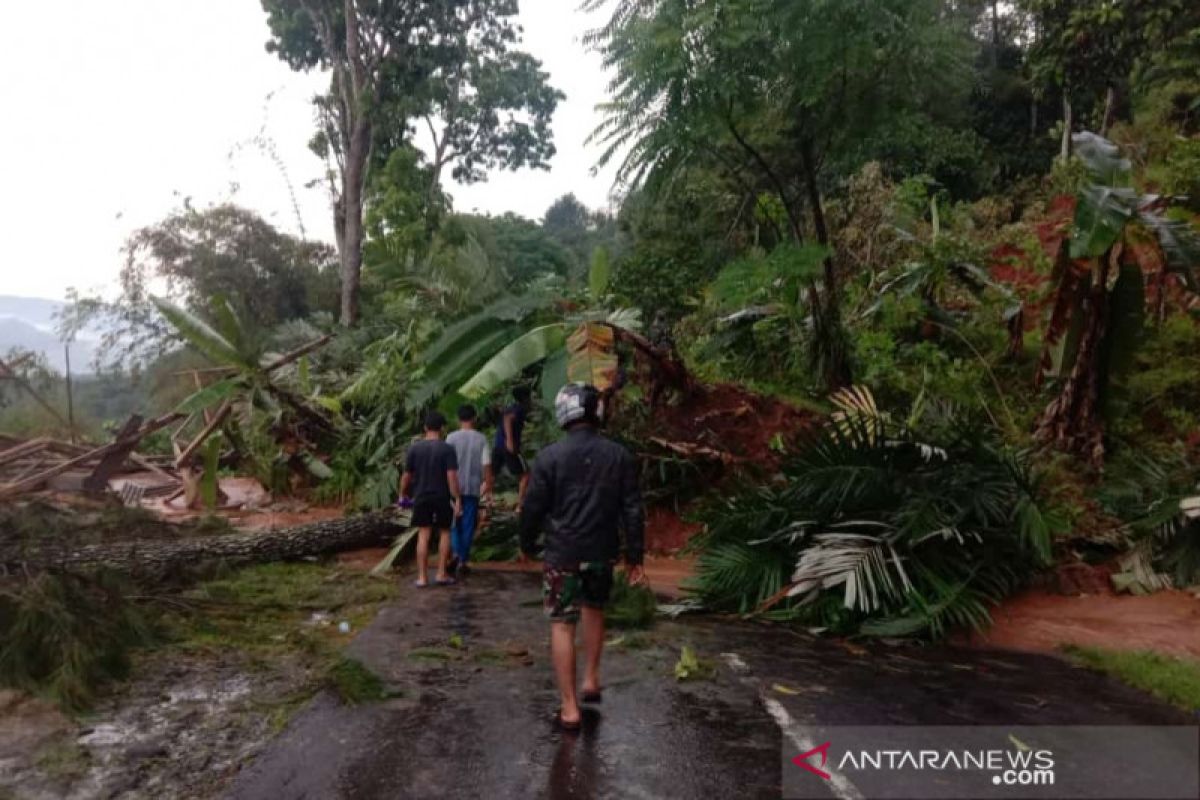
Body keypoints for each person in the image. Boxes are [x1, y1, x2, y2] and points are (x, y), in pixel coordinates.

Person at [519, 382, 645, 732]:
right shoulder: (618, 456)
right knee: (594, 609)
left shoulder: (549, 457)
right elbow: (632, 509)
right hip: (602, 552)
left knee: (562, 624)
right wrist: (635, 555)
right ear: (596, 413)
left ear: (564, 412)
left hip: (562, 553)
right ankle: (591, 678)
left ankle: (570, 706)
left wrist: (526, 544)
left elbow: (532, 508)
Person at [399, 410, 463, 587]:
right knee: (445, 532)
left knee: (423, 534)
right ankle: (441, 573)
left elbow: (406, 476)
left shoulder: (414, 449)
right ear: (442, 428)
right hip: (442, 496)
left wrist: (402, 494)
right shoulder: (447, 449)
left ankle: (422, 577)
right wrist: (457, 498)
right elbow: (452, 477)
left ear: (425, 427)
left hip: (421, 496)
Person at [446, 404, 493, 577]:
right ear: (474, 418)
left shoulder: (450, 438)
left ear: (459, 419)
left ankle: (457, 554)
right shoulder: (481, 439)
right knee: (467, 524)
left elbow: (446, 464)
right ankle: (463, 559)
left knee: (453, 524)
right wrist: (488, 485)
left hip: (453, 486)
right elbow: (486, 464)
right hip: (473, 487)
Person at [495, 385, 533, 509]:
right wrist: (510, 441)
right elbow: (507, 419)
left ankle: (480, 499)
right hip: (508, 446)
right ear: (525, 398)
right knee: (526, 475)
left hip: (498, 445)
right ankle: (520, 506)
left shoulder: (511, 408)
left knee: (491, 475)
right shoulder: (519, 409)